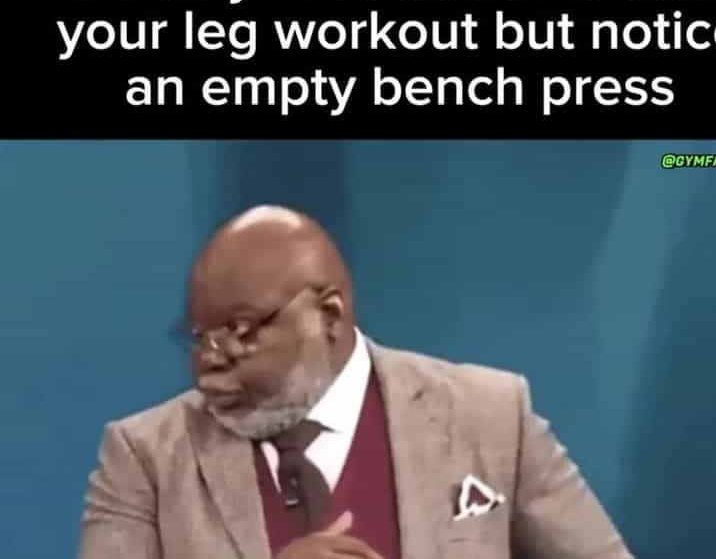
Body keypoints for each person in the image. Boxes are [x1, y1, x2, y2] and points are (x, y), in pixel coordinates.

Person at [79, 205, 633, 559]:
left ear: (329, 315)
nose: (208, 363)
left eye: (239, 332)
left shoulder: (491, 418)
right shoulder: (144, 458)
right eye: (200, 338)